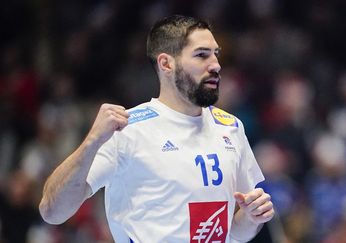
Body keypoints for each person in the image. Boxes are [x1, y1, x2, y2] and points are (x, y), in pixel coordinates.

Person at [39, 15, 274, 242]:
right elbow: (52, 212)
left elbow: (235, 232)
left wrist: (253, 218)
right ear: (166, 63)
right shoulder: (126, 129)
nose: (216, 65)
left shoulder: (231, 127)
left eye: (216, 54)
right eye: (202, 55)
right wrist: (91, 141)